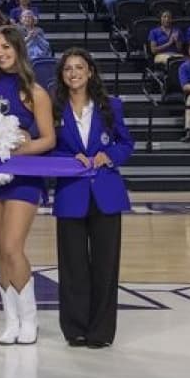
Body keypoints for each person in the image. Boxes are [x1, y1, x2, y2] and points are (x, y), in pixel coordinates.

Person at [0, 25, 57, 346]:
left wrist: (16, 149)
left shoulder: (35, 91)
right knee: (1, 251)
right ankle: (11, 321)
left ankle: (30, 319)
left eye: (6, 47)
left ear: (18, 50)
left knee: (12, 247)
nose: (1, 53)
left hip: (23, 177)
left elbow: (48, 139)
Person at [51, 47, 132, 349]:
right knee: (72, 266)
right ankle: (75, 329)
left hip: (106, 193)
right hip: (71, 194)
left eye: (79, 67)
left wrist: (107, 156)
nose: (74, 73)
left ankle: (101, 331)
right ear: (62, 75)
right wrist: (69, 159)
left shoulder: (111, 106)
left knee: (105, 265)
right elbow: (48, 149)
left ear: (90, 72)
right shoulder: (54, 109)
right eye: (68, 68)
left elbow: (126, 144)